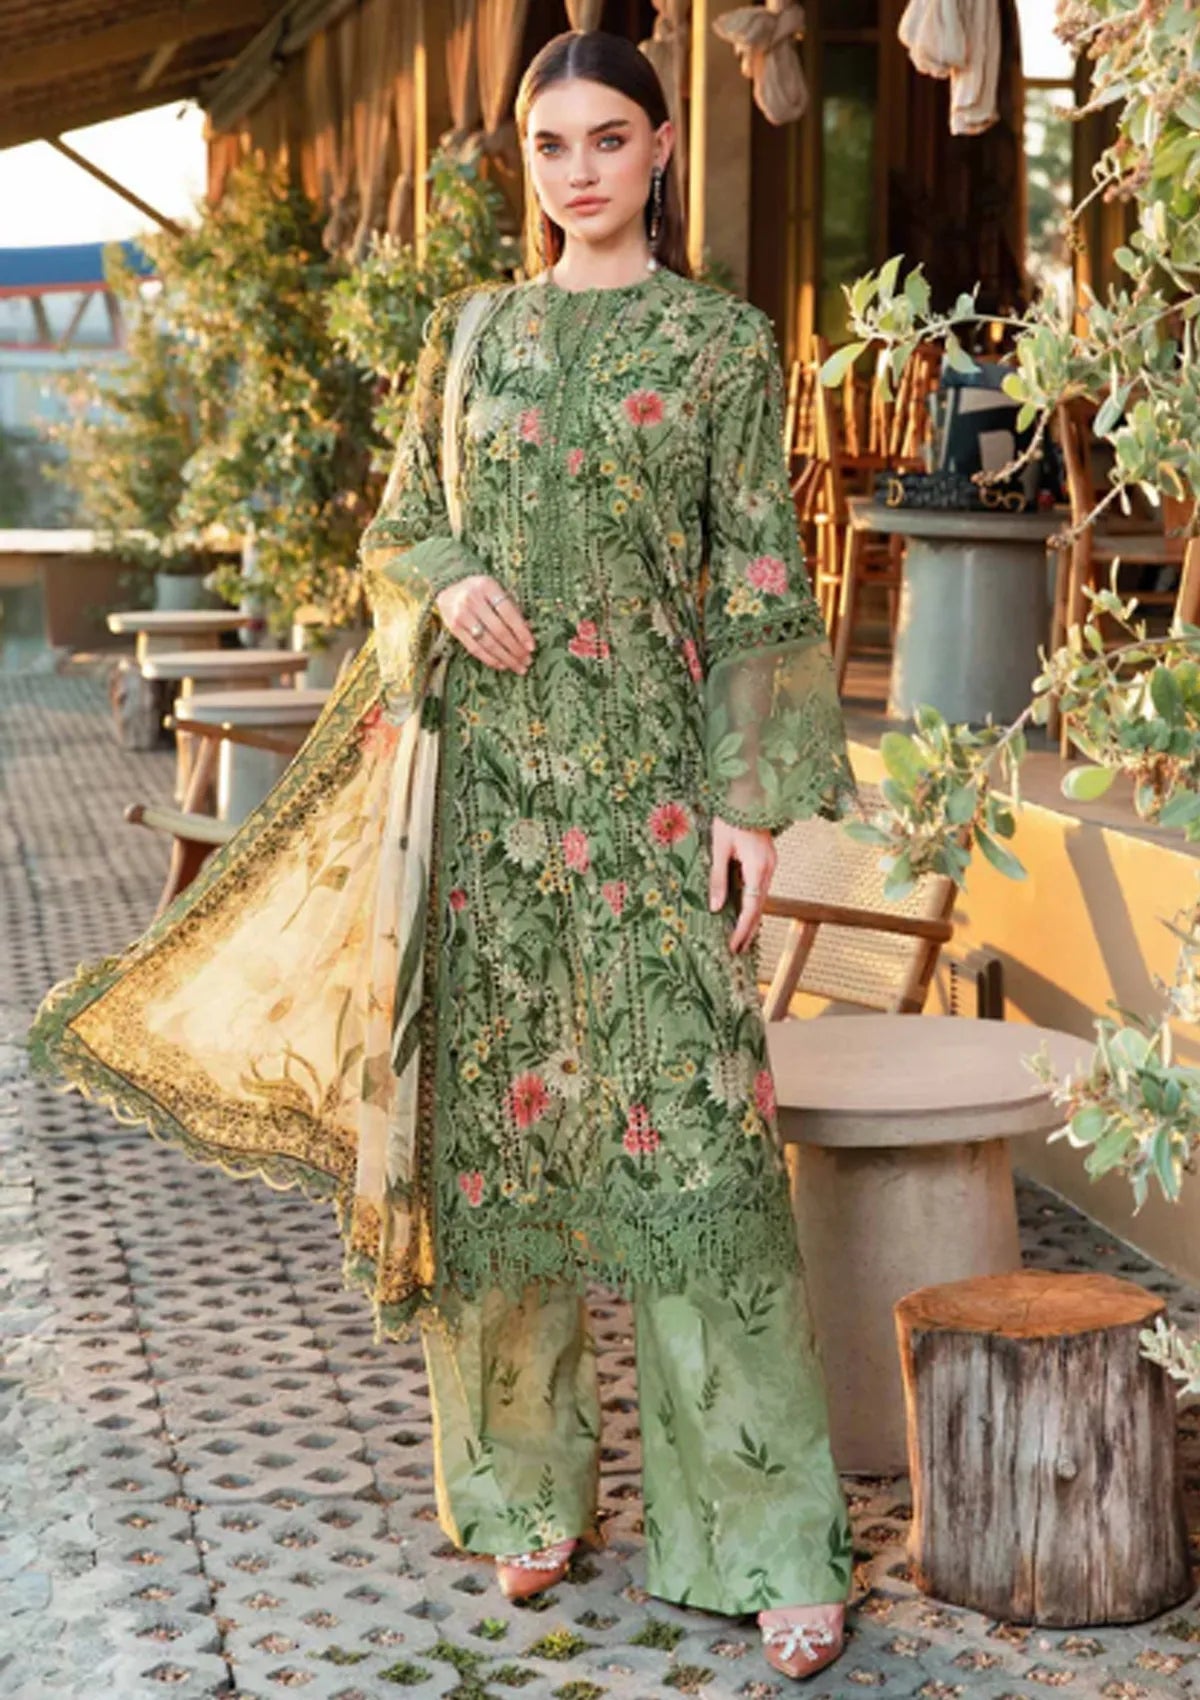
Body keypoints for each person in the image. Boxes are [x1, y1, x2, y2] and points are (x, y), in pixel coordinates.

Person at [26, 26, 861, 1685]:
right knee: (494, 1158)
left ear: (663, 148)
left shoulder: (720, 345)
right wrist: (445, 581)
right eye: (552, 145)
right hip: (482, 810)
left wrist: (752, 806)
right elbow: (397, 528)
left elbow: (760, 575)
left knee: (702, 1160)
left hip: (652, 803)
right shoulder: (470, 335)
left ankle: (766, 1536)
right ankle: (523, 1495)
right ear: (527, 163)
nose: (579, 171)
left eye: (609, 139)